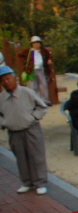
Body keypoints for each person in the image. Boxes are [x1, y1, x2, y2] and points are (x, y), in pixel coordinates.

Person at [0, 65, 48, 194]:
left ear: (14, 78)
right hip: (14, 131)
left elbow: (42, 107)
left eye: (8, 78)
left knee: (36, 156)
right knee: (20, 157)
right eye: (2, 80)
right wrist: (4, 122)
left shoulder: (27, 92)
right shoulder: (1, 97)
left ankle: (40, 183)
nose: (6, 82)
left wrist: (33, 117)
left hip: (31, 128)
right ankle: (26, 182)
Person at [18, 36, 54, 105]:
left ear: (40, 43)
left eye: (38, 43)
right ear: (32, 44)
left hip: (41, 69)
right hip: (31, 70)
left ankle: (45, 101)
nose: (36, 44)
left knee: (43, 85)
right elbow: (20, 55)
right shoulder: (28, 51)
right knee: (32, 86)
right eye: (34, 43)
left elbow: (49, 56)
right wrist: (25, 63)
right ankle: (33, 101)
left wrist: (49, 60)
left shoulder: (43, 51)